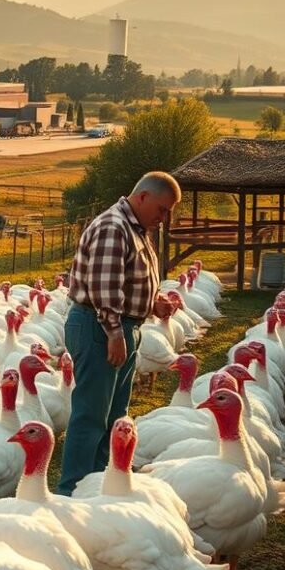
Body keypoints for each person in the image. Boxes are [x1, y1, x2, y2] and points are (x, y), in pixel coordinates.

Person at [56, 171, 180, 495]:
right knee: (91, 416)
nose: (164, 218)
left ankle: (95, 487)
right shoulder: (114, 227)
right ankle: (72, 494)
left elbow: (124, 279)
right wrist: (114, 333)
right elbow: (104, 287)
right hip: (101, 327)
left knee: (113, 417)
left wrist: (153, 302)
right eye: (163, 209)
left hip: (119, 327)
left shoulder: (135, 229)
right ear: (142, 197)